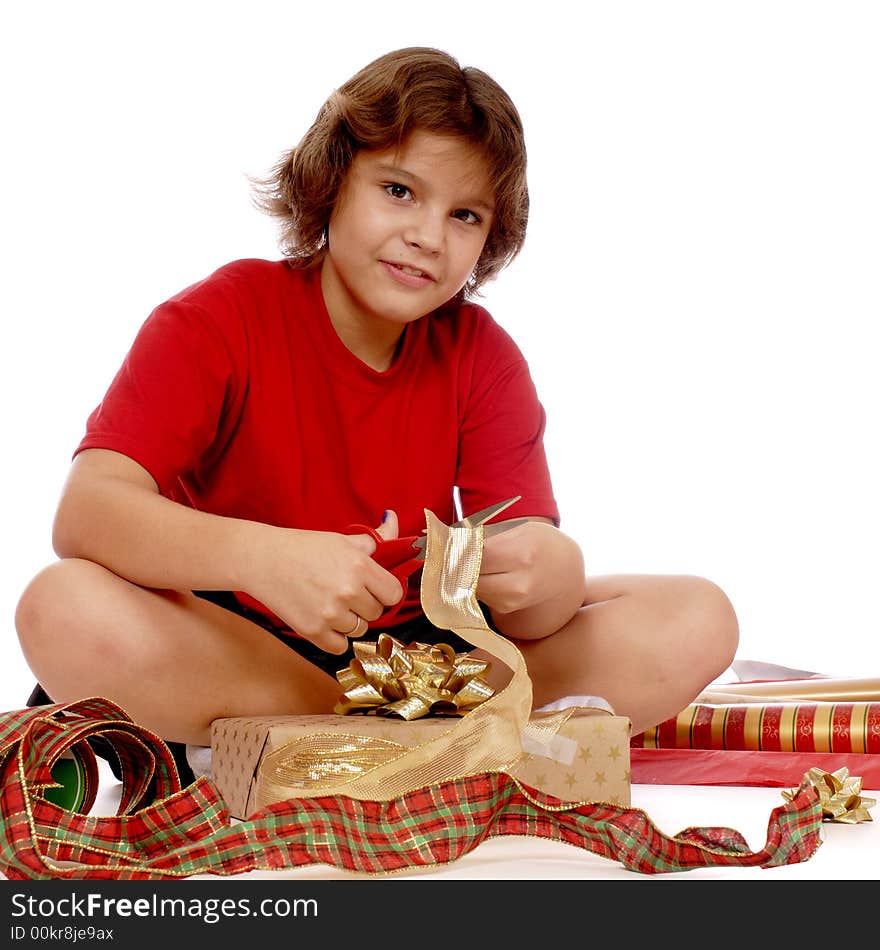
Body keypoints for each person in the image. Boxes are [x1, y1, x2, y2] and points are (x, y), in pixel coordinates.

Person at [15, 47, 738, 780]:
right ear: (330, 183)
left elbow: (528, 610)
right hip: (242, 645)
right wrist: (265, 559)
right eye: (399, 190)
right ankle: (366, 726)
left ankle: (335, 736)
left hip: (429, 662)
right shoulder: (221, 317)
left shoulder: (481, 356)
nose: (428, 236)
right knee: (63, 607)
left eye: (464, 214)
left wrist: (547, 573)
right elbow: (87, 514)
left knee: (697, 617)